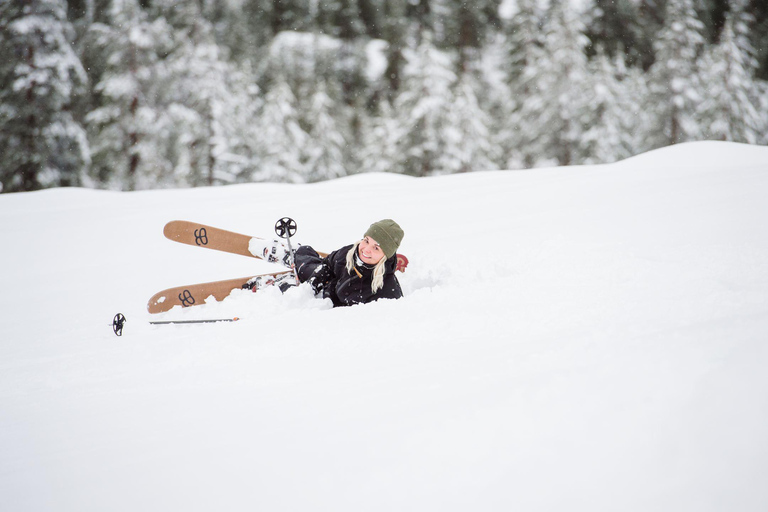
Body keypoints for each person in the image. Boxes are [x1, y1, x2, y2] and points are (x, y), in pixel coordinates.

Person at [250, 219, 405, 307]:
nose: (366, 249)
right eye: (366, 241)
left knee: (290, 292)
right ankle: (291, 256)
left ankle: (274, 285)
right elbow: (328, 264)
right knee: (308, 267)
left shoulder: (387, 290)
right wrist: (317, 279)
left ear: (386, 254)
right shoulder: (351, 252)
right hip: (329, 285)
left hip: (332, 308)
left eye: (376, 248)